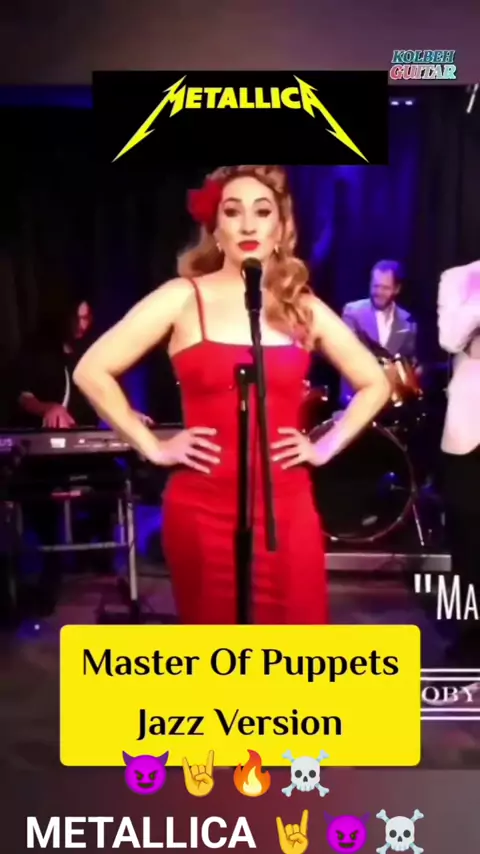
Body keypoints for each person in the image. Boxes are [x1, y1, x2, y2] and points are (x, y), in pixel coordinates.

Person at [74, 165, 390, 625]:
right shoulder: (182, 297)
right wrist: (153, 446)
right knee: (218, 654)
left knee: (298, 650)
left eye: (261, 212)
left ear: (280, 227)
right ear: (215, 228)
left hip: (287, 512)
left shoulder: (301, 307)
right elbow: (92, 370)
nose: (247, 225)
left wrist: (323, 448)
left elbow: (375, 382)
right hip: (202, 512)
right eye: (232, 211)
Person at [438, 260, 480, 666]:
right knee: (466, 541)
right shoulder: (459, 279)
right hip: (470, 432)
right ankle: (468, 635)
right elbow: (450, 338)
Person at [340, 260, 418, 405]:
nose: (379, 292)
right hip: (357, 399)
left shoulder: (408, 321)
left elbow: (408, 363)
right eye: (375, 286)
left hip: (393, 403)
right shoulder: (352, 312)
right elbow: (347, 355)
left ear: (397, 289)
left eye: (385, 288)